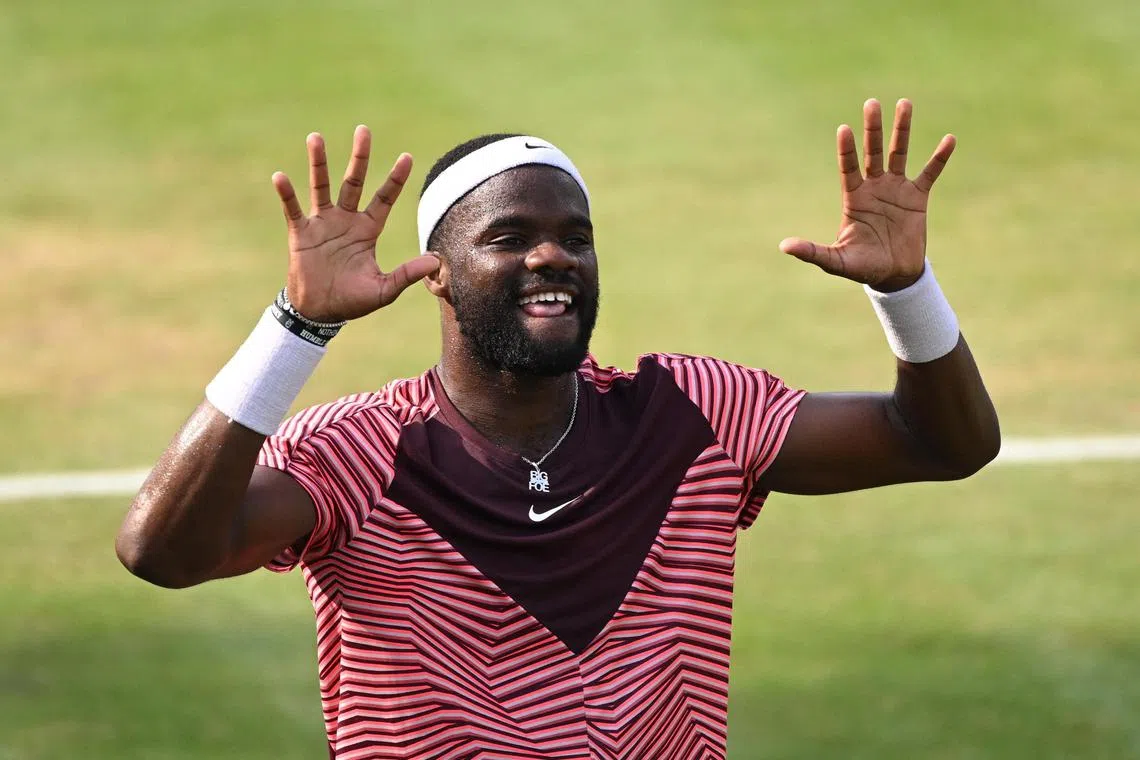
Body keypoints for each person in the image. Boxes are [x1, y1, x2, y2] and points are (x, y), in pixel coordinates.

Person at [116, 99, 1000, 760]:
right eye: (509, 236)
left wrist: (905, 291)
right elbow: (164, 553)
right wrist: (295, 329)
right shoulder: (354, 454)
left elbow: (943, 444)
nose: (552, 256)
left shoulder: (693, 413)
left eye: (575, 236)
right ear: (438, 273)